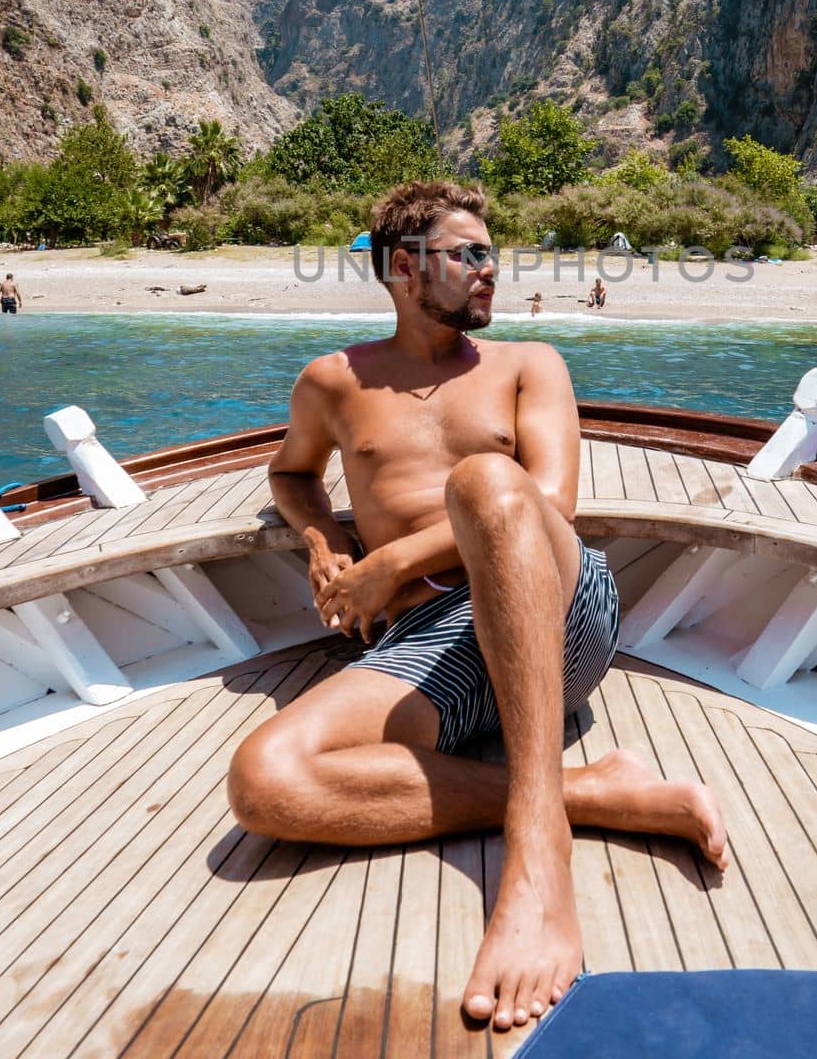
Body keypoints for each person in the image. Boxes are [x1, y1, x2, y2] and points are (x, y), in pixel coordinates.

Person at [227, 180, 727, 1033]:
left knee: (487, 482)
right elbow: (290, 474)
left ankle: (539, 852)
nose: (492, 270)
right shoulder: (331, 382)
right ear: (401, 269)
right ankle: (597, 792)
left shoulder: (528, 365)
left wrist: (386, 560)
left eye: (493, 253)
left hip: (559, 605)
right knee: (266, 782)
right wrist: (325, 546)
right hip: (430, 640)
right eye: (470, 255)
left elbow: (550, 502)